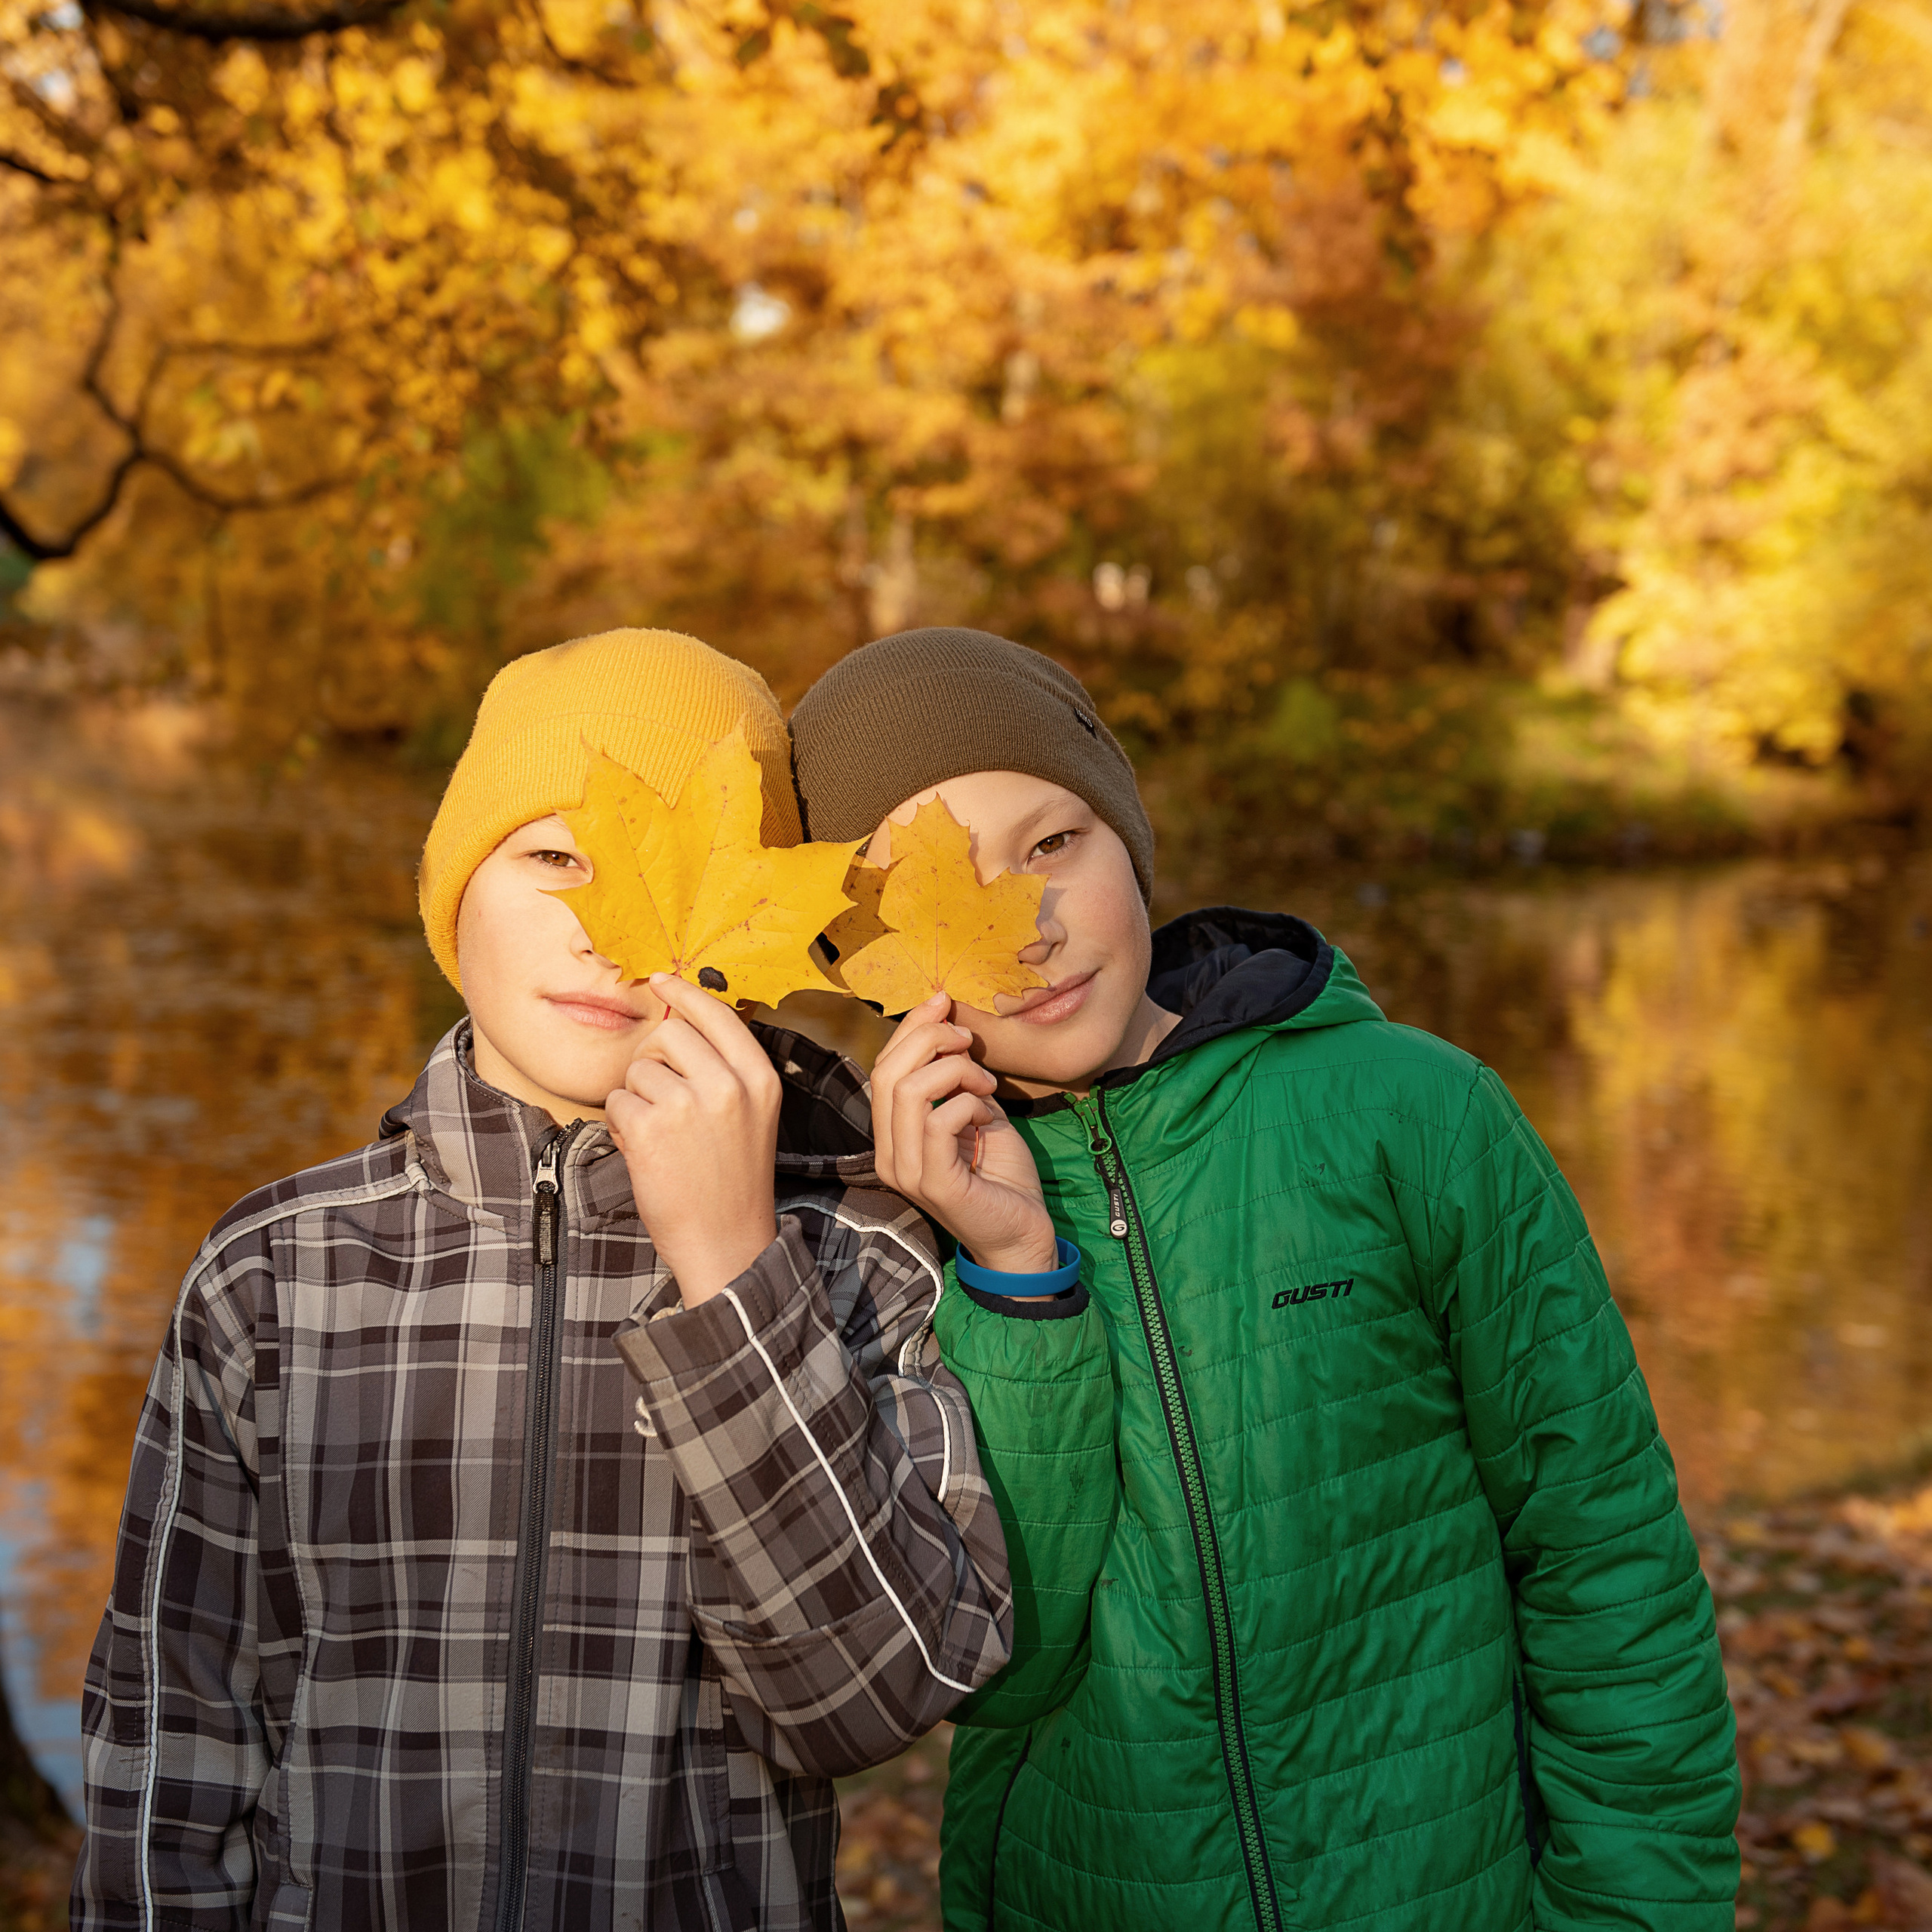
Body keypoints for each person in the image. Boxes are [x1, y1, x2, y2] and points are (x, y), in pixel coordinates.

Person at [789, 627, 1743, 1932]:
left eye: (1054, 843)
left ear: (1131, 836)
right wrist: (1014, 1276)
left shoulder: (1415, 1113)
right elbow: (1003, 1674)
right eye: (937, 899)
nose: (1028, 929)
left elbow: (1603, 1550)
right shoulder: (886, 1230)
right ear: (866, 967)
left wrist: (1637, 1912)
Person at [71, 627, 1021, 1932]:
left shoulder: (857, 1251)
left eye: (674, 880)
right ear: (451, 896)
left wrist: (733, 1272)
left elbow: (867, 1698)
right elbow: (174, 1720)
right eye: (552, 858)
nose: (604, 931)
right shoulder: (274, 1275)